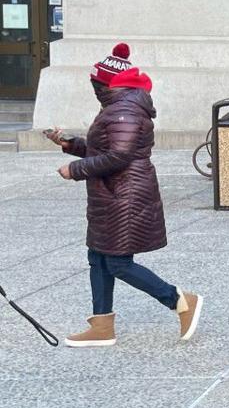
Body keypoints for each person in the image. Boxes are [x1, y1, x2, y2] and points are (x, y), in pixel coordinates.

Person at [47, 43, 202, 347]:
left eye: (95, 83)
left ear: (105, 83)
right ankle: (101, 325)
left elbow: (118, 157)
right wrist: (68, 143)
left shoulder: (125, 109)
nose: (93, 88)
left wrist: (75, 169)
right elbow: (104, 149)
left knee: (118, 262)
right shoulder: (119, 105)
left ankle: (180, 300)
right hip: (111, 195)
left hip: (125, 196)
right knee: (97, 256)